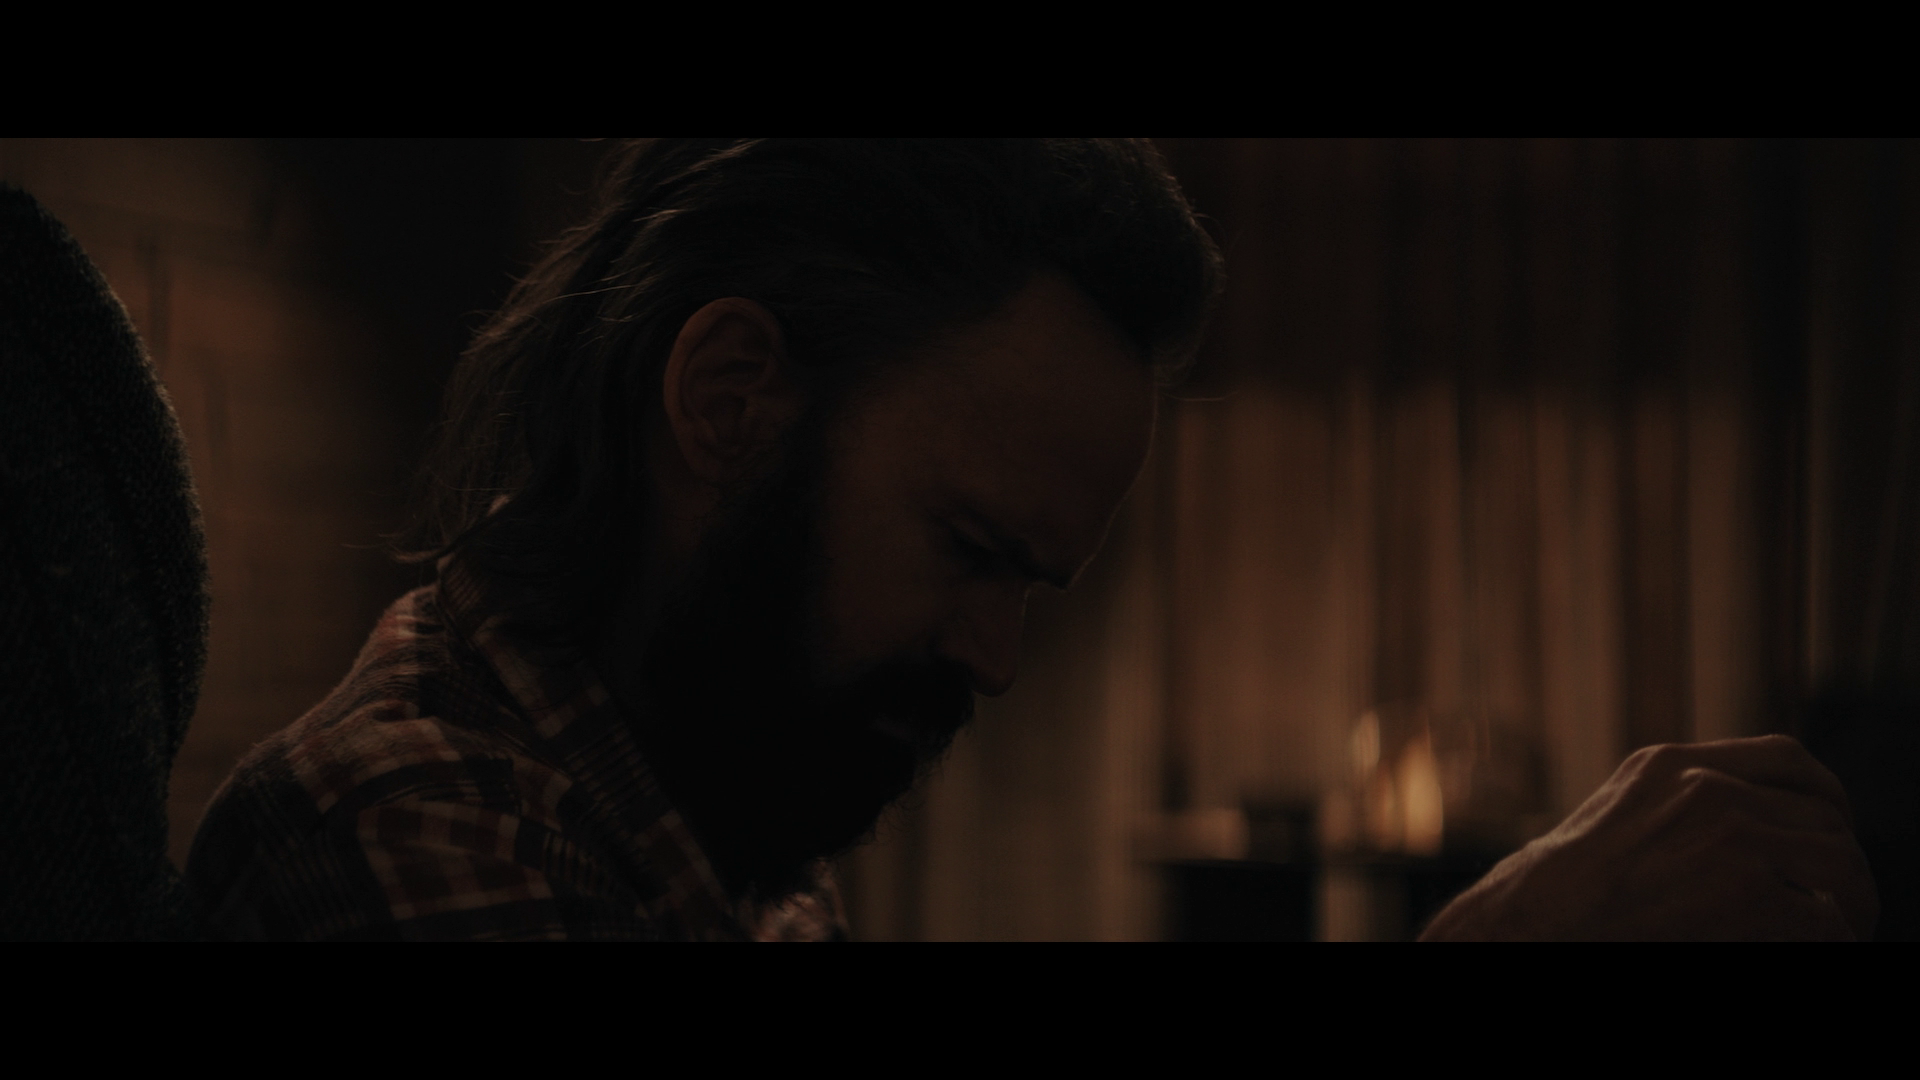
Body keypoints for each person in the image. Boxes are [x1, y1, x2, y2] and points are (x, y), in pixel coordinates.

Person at [185, 139, 1878, 941]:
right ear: (731, 399)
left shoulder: (697, 809)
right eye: (972, 546)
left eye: (1035, 584)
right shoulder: (410, 828)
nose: (997, 659)